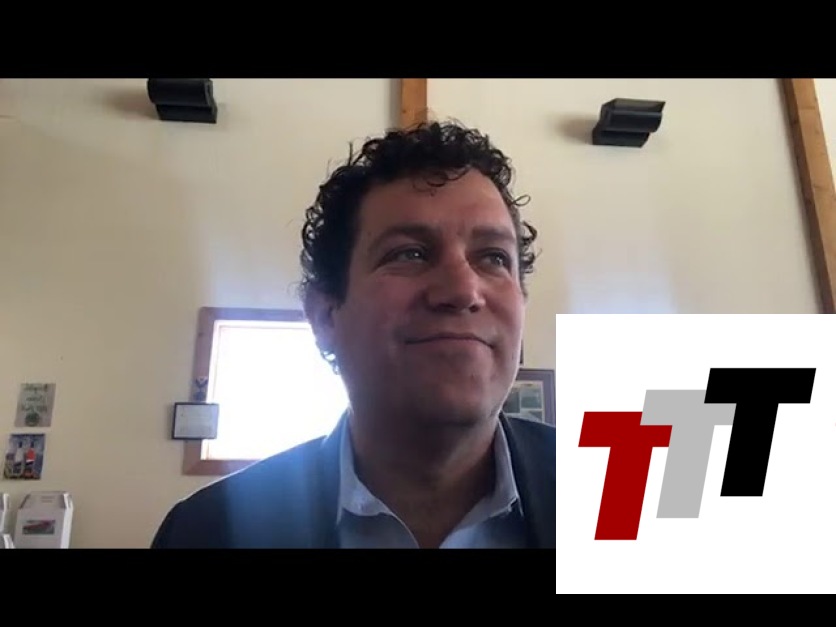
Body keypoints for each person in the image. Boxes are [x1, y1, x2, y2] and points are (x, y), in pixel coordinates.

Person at [150, 120, 555, 548]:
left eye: (493, 258)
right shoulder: (206, 531)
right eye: (410, 254)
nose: (463, 290)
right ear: (326, 316)